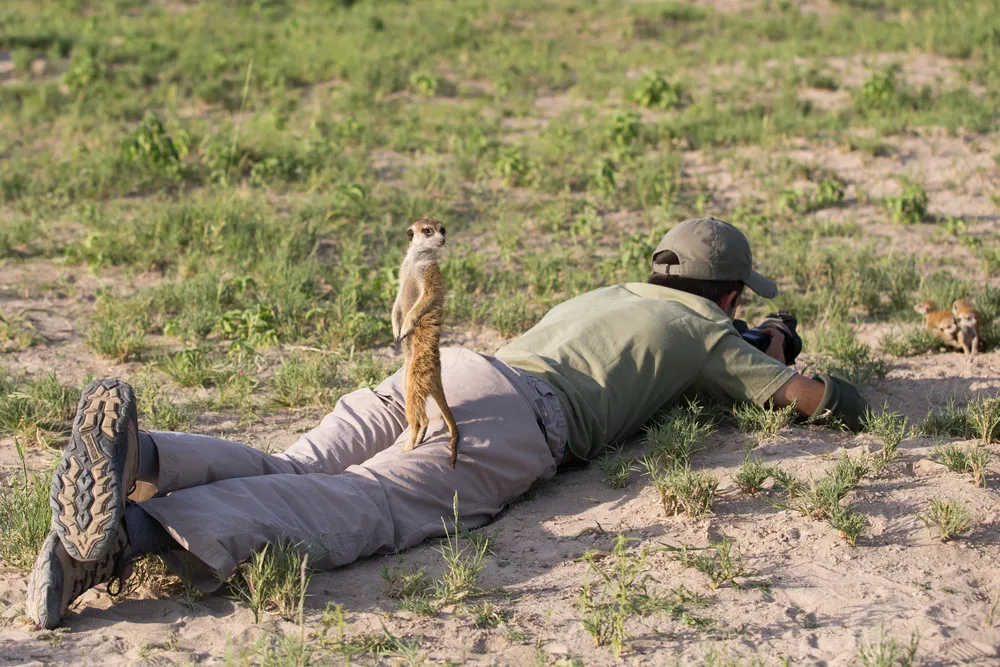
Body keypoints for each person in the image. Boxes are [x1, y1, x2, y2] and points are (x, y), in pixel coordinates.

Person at [26, 217, 869, 629]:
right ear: (727, 295)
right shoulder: (707, 331)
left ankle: (140, 452)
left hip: (454, 366)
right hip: (516, 421)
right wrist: (779, 348)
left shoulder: (615, 296)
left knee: (293, 463)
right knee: (360, 504)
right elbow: (819, 402)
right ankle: (129, 530)